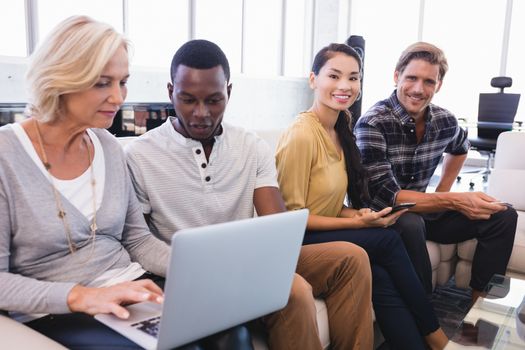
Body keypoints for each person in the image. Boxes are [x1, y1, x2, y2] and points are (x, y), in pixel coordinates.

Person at [0, 16, 251, 350]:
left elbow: (138, 240)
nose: (118, 98)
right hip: (59, 310)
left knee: (232, 329)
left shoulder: (107, 147)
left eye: (123, 82)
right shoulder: (6, 156)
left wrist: (200, 269)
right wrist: (83, 297)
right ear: (61, 78)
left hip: (131, 287)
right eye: (103, 83)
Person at [125, 39, 374, 350]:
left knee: (352, 258)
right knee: (293, 290)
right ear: (170, 91)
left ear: (229, 92)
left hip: (247, 263)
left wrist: (265, 258)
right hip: (190, 275)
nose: (201, 113)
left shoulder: (249, 145)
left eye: (214, 100)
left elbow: (276, 227)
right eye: (188, 100)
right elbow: (138, 242)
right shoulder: (141, 155)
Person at [275, 43, 448, 350]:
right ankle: (436, 337)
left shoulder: (341, 127)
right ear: (313, 79)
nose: (345, 86)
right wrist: (358, 225)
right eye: (334, 76)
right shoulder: (302, 135)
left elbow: (326, 205)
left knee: (380, 274)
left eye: (353, 78)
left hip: (319, 231)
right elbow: (292, 219)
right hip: (294, 241)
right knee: (389, 240)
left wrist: (360, 216)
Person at [354, 41, 518, 301]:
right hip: (384, 218)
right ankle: (423, 314)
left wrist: (443, 191)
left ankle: (480, 306)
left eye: (429, 81)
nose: (419, 89)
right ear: (397, 76)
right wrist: (453, 199)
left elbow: (460, 148)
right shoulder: (372, 123)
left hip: (425, 212)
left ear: (438, 85)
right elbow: (390, 197)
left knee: (503, 215)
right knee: (409, 221)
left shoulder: (445, 120)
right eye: (412, 78)